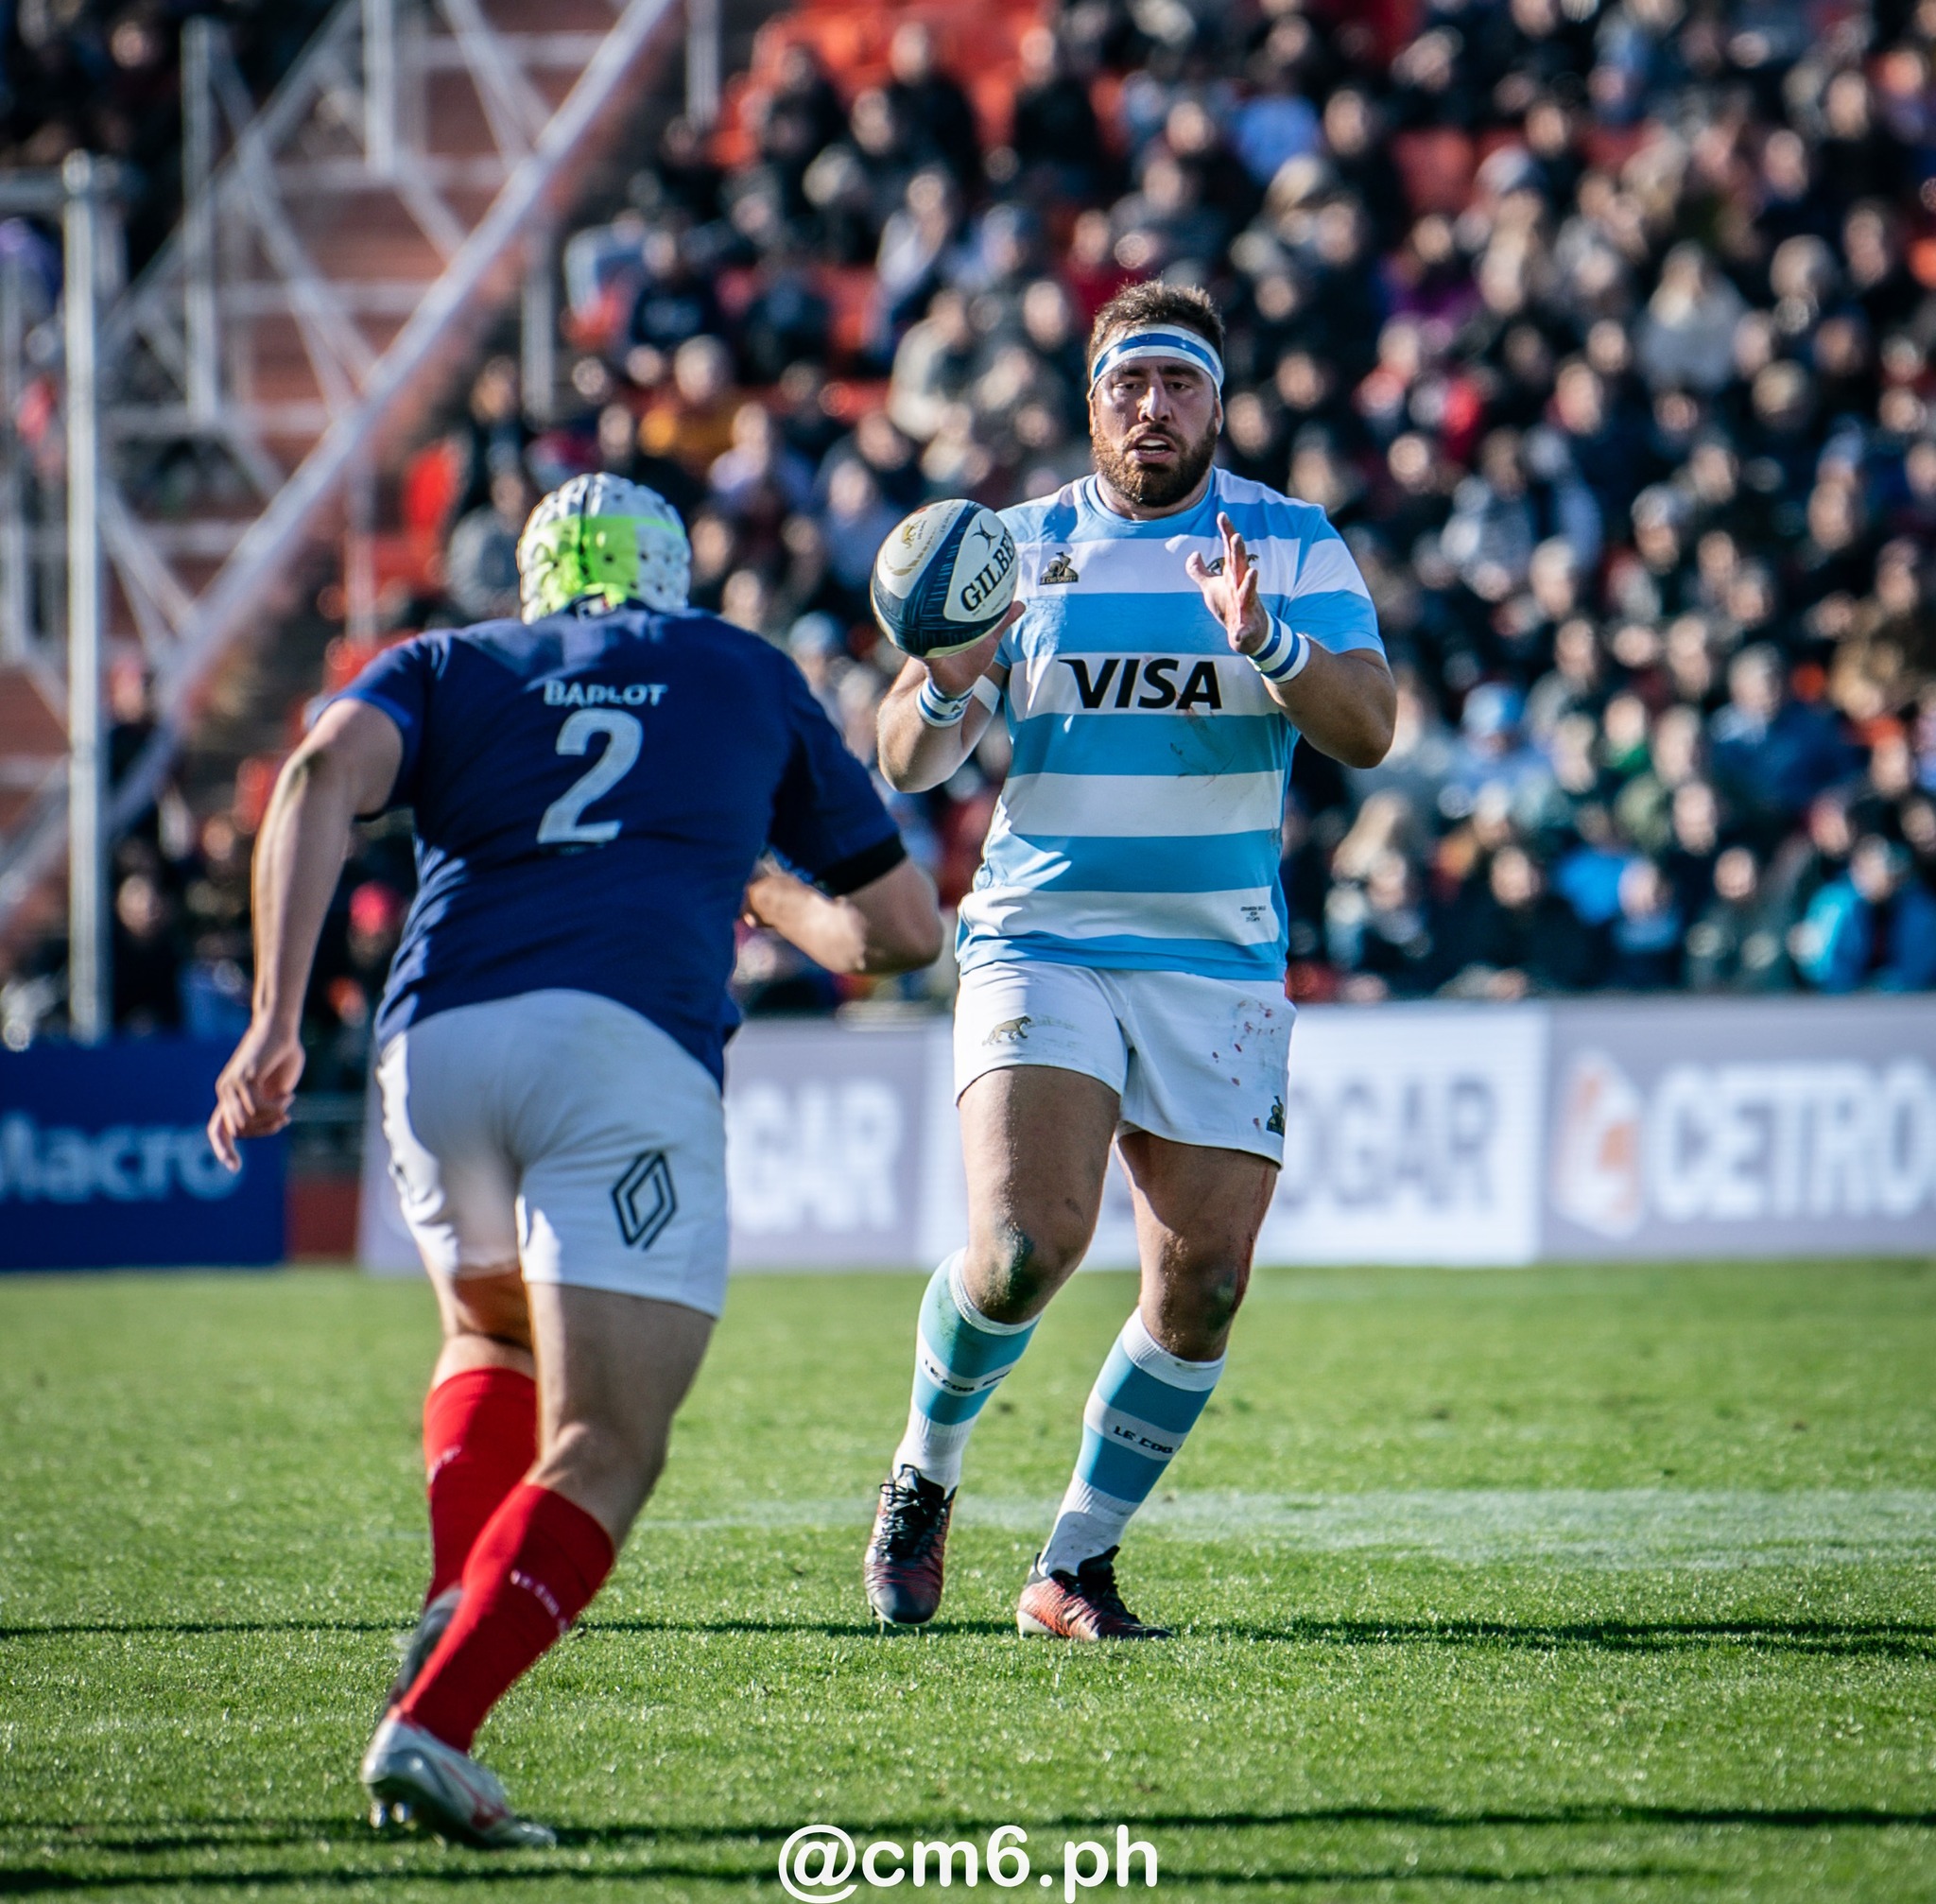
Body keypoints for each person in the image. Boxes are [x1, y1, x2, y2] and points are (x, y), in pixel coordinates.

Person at [206, 475, 941, 1843]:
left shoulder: (444, 660)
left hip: (436, 1043)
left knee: (488, 1331)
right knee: (606, 1442)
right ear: (669, 578)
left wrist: (272, 1019)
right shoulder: (735, 664)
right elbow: (899, 930)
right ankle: (434, 1715)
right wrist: (753, 880)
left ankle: (448, 1599)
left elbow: (313, 778)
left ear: (534, 582)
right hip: (620, 1041)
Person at [861, 283, 1394, 1640]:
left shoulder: (1290, 539)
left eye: (1180, 384)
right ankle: (925, 1468)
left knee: (1203, 1282)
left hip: (1215, 958)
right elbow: (905, 759)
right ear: (1091, 402)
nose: (1152, 407)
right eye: (1127, 385)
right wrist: (947, 673)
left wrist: (1268, 640)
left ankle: (1073, 1564)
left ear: (1219, 403)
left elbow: (1371, 727)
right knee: (1025, 1249)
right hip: (1042, 934)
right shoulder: (1020, 547)